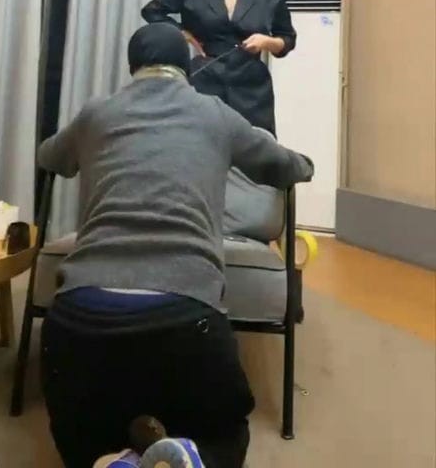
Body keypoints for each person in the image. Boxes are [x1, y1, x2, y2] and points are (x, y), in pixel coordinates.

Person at [39, 23, 313, 468]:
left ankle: (113, 459)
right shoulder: (214, 113)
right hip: (184, 317)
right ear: (187, 67)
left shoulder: (97, 112)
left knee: (83, 441)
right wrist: (305, 164)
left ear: (133, 67)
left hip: (80, 315)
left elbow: (49, 157)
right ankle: (190, 452)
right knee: (223, 436)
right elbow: (281, 166)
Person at [141, 0, 296, 135]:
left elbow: (287, 39)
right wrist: (183, 33)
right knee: (199, 145)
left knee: (253, 150)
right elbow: (152, 10)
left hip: (251, 87)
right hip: (204, 81)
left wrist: (267, 42)